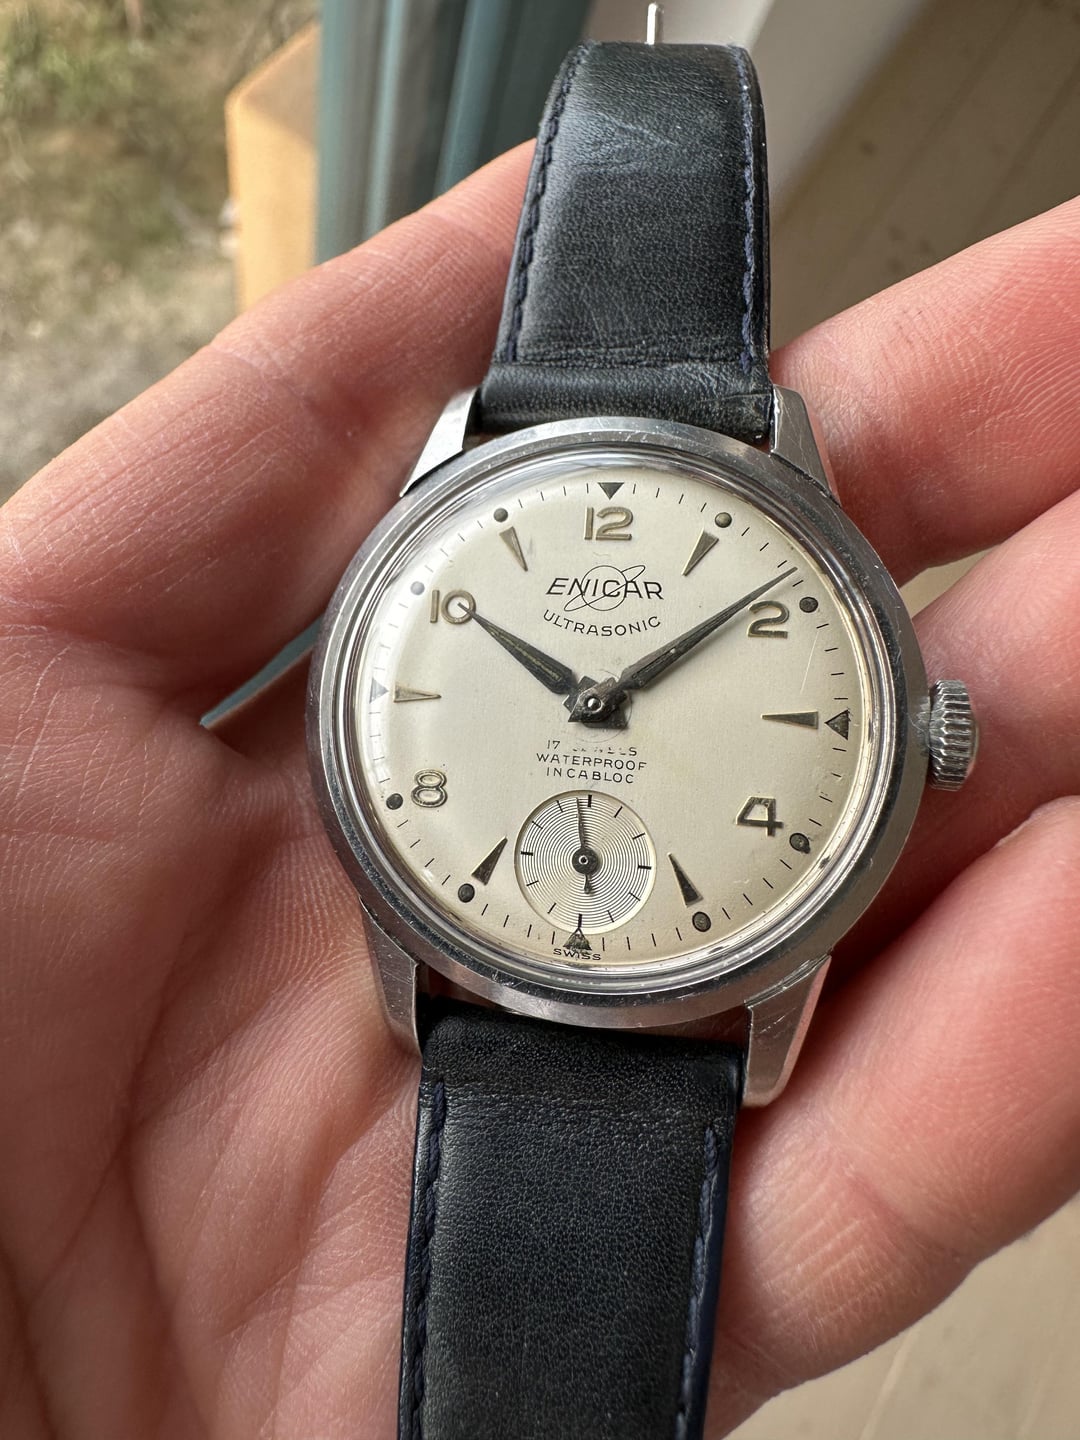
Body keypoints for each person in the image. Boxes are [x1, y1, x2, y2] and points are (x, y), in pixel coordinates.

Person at [1, 144, 1078, 1438]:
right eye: (585, 696)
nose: (596, 708)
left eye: (607, 697)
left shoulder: (585, 487)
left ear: (923, 736)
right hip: (483, 948)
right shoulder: (490, 488)